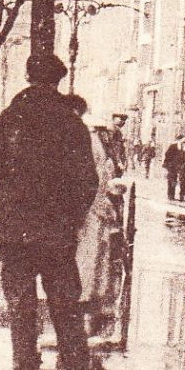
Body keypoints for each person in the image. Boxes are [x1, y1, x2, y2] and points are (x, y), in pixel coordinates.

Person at [0, 53, 99, 370]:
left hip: (16, 234)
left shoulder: (9, 119)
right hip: (56, 236)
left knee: (21, 310)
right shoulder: (71, 123)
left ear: (29, 77)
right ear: (59, 81)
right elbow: (88, 182)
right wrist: (71, 220)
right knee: (66, 311)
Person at [74, 101, 127, 331]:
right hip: (92, 209)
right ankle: (88, 293)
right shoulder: (93, 146)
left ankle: (88, 293)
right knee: (91, 254)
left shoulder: (92, 145)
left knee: (91, 254)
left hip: (92, 208)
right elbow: (99, 178)